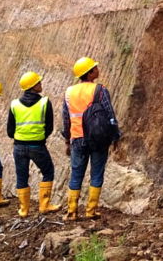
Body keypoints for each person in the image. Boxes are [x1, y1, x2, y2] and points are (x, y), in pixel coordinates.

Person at [61, 57, 121, 221]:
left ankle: (72, 212)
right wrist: (115, 136)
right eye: (95, 68)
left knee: (76, 175)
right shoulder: (100, 90)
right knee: (96, 173)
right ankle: (90, 211)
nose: (97, 69)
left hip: (78, 138)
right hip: (98, 139)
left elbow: (66, 119)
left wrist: (68, 140)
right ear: (89, 73)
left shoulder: (68, 92)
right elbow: (110, 116)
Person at [7, 71, 61, 217]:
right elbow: (49, 127)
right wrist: (39, 137)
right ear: (32, 86)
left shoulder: (14, 105)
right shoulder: (44, 102)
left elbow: (10, 131)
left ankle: (24, 210)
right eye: (38, 82)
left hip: (18, 146)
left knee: (22, 176)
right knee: (48, 171)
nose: (40, 84)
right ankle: (44, 205)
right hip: (37, 146)